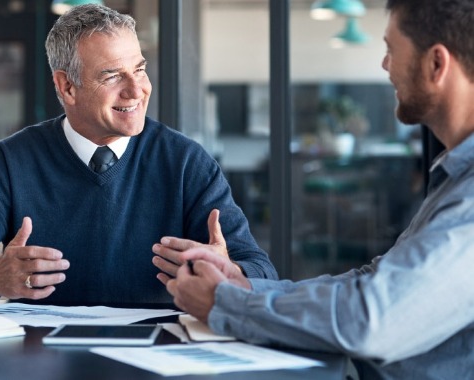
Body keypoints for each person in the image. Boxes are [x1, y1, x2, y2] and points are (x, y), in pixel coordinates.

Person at [165, 1, 474, 378]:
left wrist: (223, 303)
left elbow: (372, 319)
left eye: (392, 50)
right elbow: (373, 280)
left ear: (436, 65)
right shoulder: (456, 179)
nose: (384, 65)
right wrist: (245, 288)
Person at [0, 4, 277, 307]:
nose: (136, 90)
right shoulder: (7, 164)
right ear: (67, 87)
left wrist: (232, 273)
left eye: (139, 70)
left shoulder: (186, 162)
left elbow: (263, 273)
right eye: (112, 76)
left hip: (161, 348)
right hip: (42, 350)